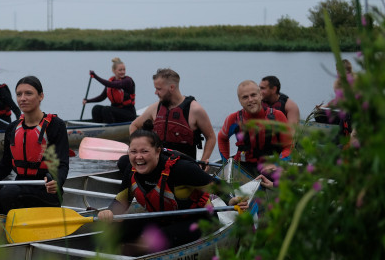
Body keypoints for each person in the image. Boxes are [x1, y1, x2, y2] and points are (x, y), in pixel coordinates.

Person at [96, 121, 248, 249]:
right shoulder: (131, 169)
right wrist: (108, 213)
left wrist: (231, 200)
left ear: (158, 152)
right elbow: (121, 201)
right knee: (112, 233)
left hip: (199, 219)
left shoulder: (181, 169)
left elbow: (216, 185)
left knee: (155, 241)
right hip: (162, 218)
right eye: (133, 151)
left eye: (144, 151)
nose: (138, 157)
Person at [0, 76, 69, 214]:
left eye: (28, 93)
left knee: (9, 192)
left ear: (41, 96)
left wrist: (56, 182)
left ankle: (17, 228)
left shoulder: (56, 125)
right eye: (19, 94)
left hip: (46, 192)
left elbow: (63, 164)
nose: (22, 98)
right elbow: (4, 167)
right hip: (19, 187)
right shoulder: (12, 128)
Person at [130, 68, 216, 164]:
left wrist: (203, 161)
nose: (155, 93)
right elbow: (134, 125)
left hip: (183, 164)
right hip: (159, 163)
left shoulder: (195, 109)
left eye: (159, 89)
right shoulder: (155, 108)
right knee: (123, 162)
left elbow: (211, 137)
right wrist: (136, 149)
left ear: (171, 87)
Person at [218, 80, 293, 176]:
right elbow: (222, 138)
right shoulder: (233, 119)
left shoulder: (277, 116)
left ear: (260, 96)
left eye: (253, 95)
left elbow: (289, 146)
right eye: (245, 97)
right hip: (243, 170)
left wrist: (278, 164)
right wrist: (226, 164)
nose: (250, 100)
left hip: (271, 169)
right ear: (240, 101)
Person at [82, 57, 137, 123]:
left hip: (129, 114)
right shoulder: (111, 81)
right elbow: (102, 97)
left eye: (124, 70)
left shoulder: (127, 81)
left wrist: (95, 76)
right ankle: (97, 128)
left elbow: (112, 84)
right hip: (117, 112)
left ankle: (109, 128)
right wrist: (88, 101)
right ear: (114, 71)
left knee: (106, 109)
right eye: (120, 70)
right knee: (96, 108)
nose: (123, 72)